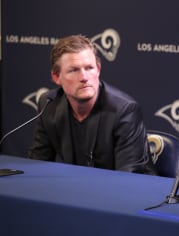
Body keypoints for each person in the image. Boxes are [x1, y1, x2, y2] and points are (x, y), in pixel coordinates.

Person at [28, 35, 157, 175]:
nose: (84, 77)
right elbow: (37, 162)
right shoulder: (49, 104)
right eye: (73, 70)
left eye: (89, 68)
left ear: (98, 70)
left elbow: (128, 177)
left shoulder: (124, 111)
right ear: (56, 77)